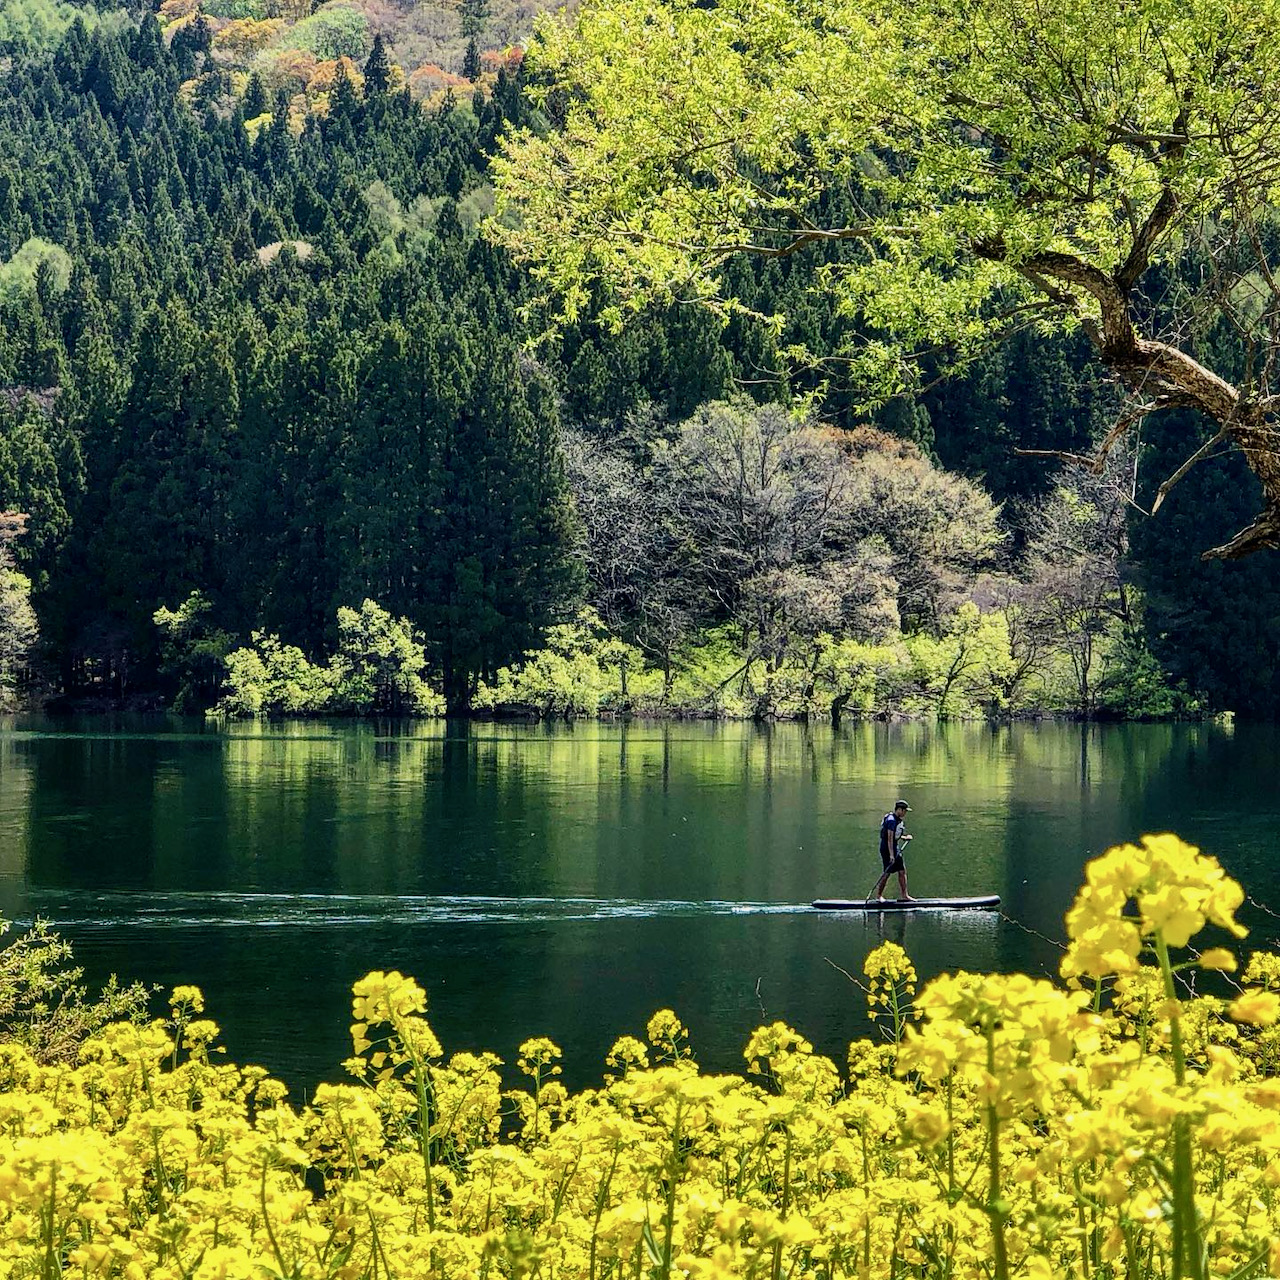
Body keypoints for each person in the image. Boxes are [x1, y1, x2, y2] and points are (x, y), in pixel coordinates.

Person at [872, 800, 913, 901]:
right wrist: (891, 855)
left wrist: (904, 838)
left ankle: (904, 895)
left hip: (893, 847)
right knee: (887, 872)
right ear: (899, 810)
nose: (905, 813)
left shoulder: (896, 819)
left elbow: (895, 835)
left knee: (902, 871)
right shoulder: (891, 820)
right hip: (887, 848)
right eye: (904, 811)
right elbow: (889, 838)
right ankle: (878, 896)